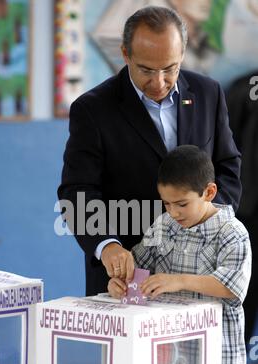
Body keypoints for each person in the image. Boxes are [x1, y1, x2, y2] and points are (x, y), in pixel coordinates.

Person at [58, 6, 242, 296]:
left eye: (170, 69)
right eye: (146, 70)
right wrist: (108, 245)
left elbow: (228, 166)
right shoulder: (92, 110)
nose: (159, 83)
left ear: (182, 54)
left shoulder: (209, 93)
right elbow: (77, 191)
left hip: (201, 270)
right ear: (125, 54)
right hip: (125, 275)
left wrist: (204, 223)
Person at [108, 145, 251, 364]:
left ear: (209, 192)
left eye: (182, 204)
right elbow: (139, 271)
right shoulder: (164, 226)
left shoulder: (233, 233)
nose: (173, 212)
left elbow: (232, 287)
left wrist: (178, 281)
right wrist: (121, 283)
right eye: (167, 204)